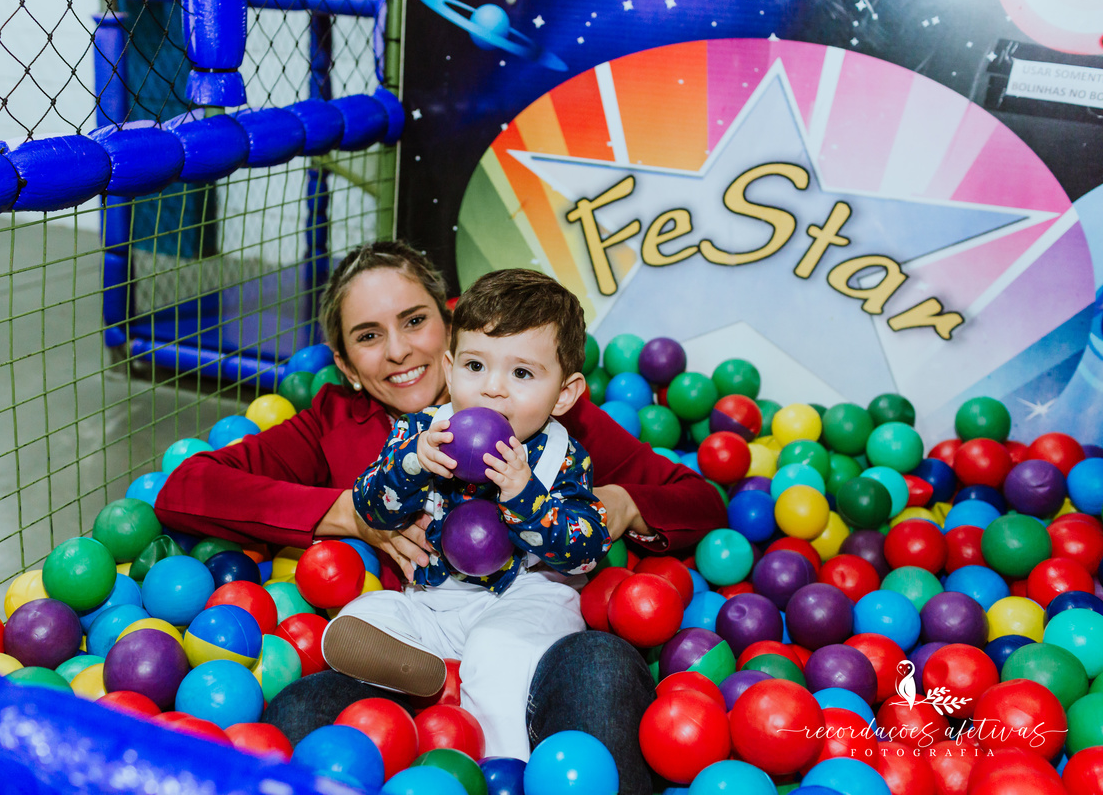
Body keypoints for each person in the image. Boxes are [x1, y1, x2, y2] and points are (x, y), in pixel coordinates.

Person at [154, 240, 726, 794]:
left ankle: (507, 767)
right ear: (347, 365)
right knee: (302, 704)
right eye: (369, 336)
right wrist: (347, 512)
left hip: (525, 639)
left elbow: (697, 499)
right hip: (417, 640)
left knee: (600, 665)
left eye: (413, 320)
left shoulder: (541, 415)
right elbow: (186, 487)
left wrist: (621, 504)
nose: (399, 350)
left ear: (448, 322)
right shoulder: (335, 423)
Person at [325, 268, 609, 759]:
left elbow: (585, 551)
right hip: (437, 599)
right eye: (476, 367)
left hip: (526, 598)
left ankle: (499, 764)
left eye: (522, 373)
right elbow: (370, 504)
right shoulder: (422, 431)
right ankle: (430, 668)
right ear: (451, 367)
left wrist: (524, 495)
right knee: (366, 614)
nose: (493, 389)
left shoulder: (560, 456)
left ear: (564, 393)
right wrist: (412, 461)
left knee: (497, 655)